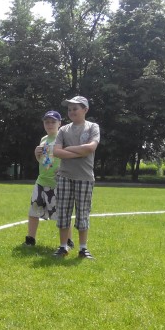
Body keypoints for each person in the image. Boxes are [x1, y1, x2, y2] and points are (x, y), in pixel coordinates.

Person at [52, 96, 100, 259]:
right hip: (64, 176)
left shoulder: (93, 127)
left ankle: (83, 249)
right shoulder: (63, 130)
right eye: (69, 109)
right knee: (63, 213)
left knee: (83, 213)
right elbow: (56, 152)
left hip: (85, 177)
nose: (72, 112)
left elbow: (91, 148)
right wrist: (79, 152)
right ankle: (63, 247)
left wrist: (69, 149)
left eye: (75, 109)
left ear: (85, 110)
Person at [25, 110, 73, 248]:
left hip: (57, 183)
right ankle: (30, 239)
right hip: (41, 181)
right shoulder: (44, 139)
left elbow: (70, 157)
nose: (50, 124)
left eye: (53, 122)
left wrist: (63, 169)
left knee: (62, 214)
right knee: (34, 211)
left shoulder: (63, 138)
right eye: (47, 122)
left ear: (59, 123)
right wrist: (36, 154)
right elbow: (43, 161)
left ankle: (68, 241)